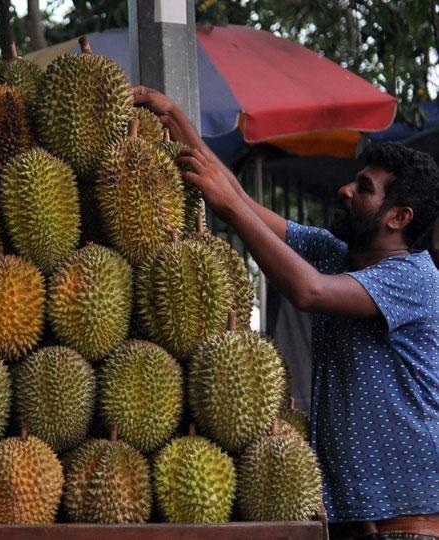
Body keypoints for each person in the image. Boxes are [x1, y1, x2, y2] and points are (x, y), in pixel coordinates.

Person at [132, 85, 439, 540]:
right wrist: (179, 122)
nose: (345, 189)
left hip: (406, 524)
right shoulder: (340, 254)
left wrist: (231, 208)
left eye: (364, 189)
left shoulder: (414, 277)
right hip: (353, 520)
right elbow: (243, 201)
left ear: (398, 218)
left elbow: (307, 290)